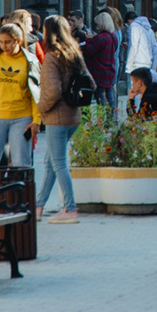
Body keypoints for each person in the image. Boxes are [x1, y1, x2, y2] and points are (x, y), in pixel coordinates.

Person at [37, 15, 94, 224]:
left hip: (56, 117)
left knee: (58, 163)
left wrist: (40, 111)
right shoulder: (74, 54)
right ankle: (39, 206)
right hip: (74, 116)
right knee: (50, 161)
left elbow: (52, 91)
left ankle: (70, 209)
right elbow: (91, 84)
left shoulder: (53, 57)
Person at [0, 23, 41, 166]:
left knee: (21, 163)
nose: (4, 46)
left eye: (8, 42)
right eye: (1, 42)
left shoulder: (29, 61)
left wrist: (36, 121)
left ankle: (18, 188)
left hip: (22, 117)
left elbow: (35, 93)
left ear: (18, 41)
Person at [83, 11, 120, 109]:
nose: (97, 27)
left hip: (99, 71)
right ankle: (112, 119)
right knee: (110, 97)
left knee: (100, 98)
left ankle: (102, 120)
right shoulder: (113, 36)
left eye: (98, 24)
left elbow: (88, 51)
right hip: (110, 69)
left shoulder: (101, 38)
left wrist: (89, 39)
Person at [124, 12, 157, 84]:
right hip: (148, 64)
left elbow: (133, 46)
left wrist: (128, 66)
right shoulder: (149, 29)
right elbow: (155, 49)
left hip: (136, 64)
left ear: (130, 21)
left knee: (136, 90)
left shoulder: (134, 26)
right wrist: (153, 67)